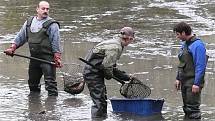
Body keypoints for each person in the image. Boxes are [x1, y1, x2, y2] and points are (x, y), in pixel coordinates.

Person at [4, 1, 62, 96]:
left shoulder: (52, 24)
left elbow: (56, 42)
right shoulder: (29, 22)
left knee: (50, 85)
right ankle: (34, 106)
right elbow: (20, 37)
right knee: (32, 84)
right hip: (34, 59)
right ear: (37, 9)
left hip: (48, 59)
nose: (45, 11)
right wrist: (12, 48)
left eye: (47, 9)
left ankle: (52, 107)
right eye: (43, 9)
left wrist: (57, 57)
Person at [82, 27, 135, 118]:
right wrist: (109, 76)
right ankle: (97, 118)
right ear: (129, 38)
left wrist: (126, 77)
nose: (131, 42)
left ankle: (102, 117)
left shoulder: (116, 43)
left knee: (102, 98)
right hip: (92, 73)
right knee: (99, 101)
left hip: (95, 72)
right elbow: (107, 68)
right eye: (132, 39)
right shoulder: (115, 47)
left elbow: (111, 67)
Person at [173, 22, 207, 119]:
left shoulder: (198, 45)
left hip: (193, 82)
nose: (177, 37)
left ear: (183, 33)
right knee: (186, 108)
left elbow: (200, 66)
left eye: (178, 34)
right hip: (184, 80)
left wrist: (197, 84)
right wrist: (178, 78)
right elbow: (182, 63)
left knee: (193, 110)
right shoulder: (184, 44)